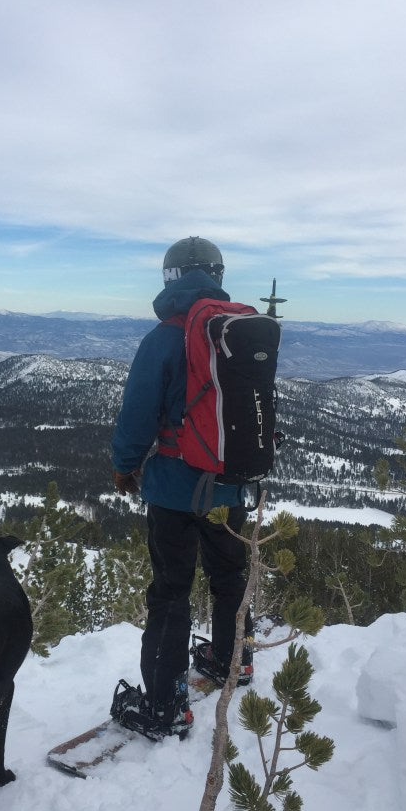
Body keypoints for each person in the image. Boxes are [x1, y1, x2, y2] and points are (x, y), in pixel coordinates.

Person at [110, 236, 253, 738]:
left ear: (170, 278)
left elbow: (136, 417)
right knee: (228, 575)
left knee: (171, 592)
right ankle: (235, 660)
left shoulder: (166, 338)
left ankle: (164, 704)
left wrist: (125, 466)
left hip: (174, 489)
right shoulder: (239, 332)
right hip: (232, 486)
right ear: (217, 273)